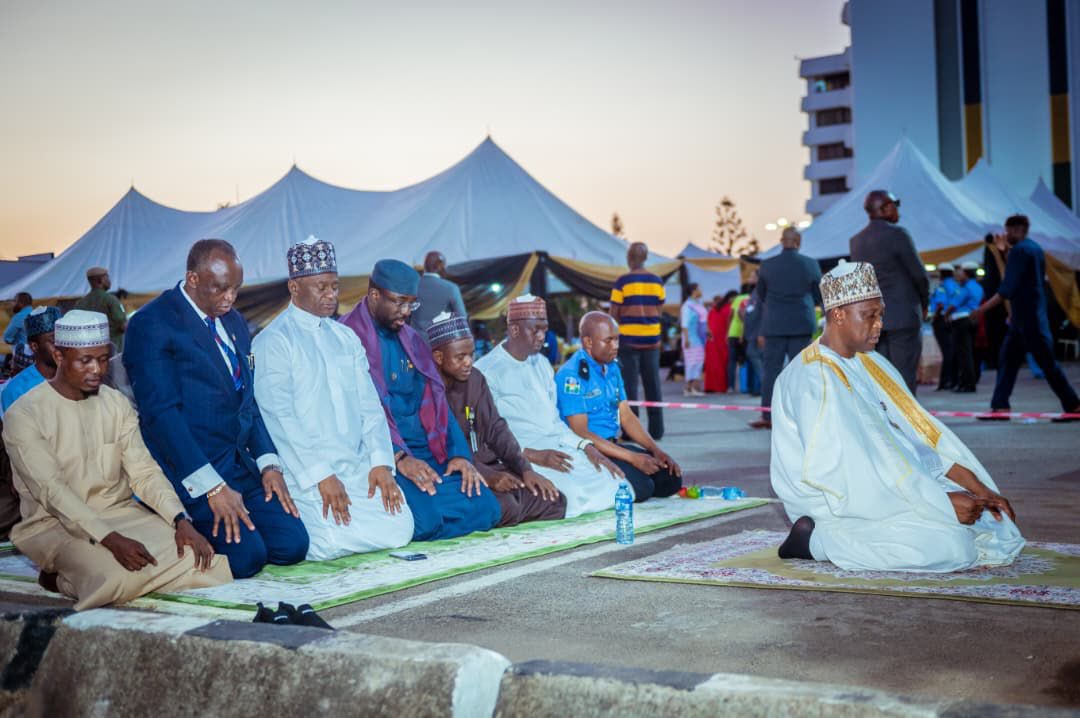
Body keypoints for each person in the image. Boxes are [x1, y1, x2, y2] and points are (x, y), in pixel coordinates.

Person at [770, 261, 1024, 572]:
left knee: (995, 523)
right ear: (838, 314)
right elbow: (846, 471)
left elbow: (915, 438)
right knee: (950, 547)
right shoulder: (813, 378)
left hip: (891, 484)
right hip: (836, 500)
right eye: (869, 316)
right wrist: (940, 503)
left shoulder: (871, 362)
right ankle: (813, 540)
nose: (879, 325)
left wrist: (980, 489)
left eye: (881, 315)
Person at [3, 310, 231, 609]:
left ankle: (93, 574)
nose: (97, 369)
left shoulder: (115, 403)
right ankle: (58, 579)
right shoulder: (24, 414)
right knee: (115, 578)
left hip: (122, 513)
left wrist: (180, 520)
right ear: (59, 356)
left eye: (102, 359)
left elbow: (144, 471)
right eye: (85, 360)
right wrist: (110, 539)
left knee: (206, 560)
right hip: (56, 524)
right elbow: (51, 490)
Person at [123, 239, 309, 578]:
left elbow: (247, 400)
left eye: (236, 289)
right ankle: (172, 522)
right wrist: (211, 487)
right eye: (220, 288)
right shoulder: (152, 323)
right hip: (191, 469)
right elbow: (162, 416)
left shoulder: (233, 321)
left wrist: (268, 463)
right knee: (248, 559)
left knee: (292, 545)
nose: (230, 298)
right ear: (193, 279)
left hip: (238, 466)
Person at [253, 238, 414, 560]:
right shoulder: (273, 340)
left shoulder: (345, 337)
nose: (331, 295)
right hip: (307, 471)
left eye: (335, 286)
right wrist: (321, 475)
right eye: (321, 287)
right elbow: (280, 417)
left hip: (355, 465)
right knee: (326, 543)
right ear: (294, 287)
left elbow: (370, 406)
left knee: (401, 527)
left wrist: (380, 463)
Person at [340, 259, 501, 540]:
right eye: (399, 302)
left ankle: (424, 512)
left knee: (488, 507)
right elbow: (352, 414)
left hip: (427, 453)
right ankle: (420, 515)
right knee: (425, 521)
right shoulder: (346, 338)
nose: (406, 312)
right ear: (375, 295)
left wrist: (459, 455)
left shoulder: (412, 340)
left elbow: (439, 405)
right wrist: (399, 457)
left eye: (411, 304)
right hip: (384, 457)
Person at [476, 295, 623, 517]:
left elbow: (554, 422)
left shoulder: (542, 364)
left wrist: (586, 446)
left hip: (558, 448)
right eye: (535, 330)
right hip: (521, 455)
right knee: (573, 497)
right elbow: (487, 436)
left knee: (616, 484)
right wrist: (533, 456)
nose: (542, 336)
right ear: (514, 330)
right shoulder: (487, 371)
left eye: (544, 330)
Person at [429, 311, 567, 526]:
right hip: (456, 473)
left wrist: (525, 469)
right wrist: (487, 476)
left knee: (553, 500)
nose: (468, 362)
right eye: (460, 357)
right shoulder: (427, 390)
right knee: (506, 506)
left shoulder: (475, 379)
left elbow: (496, 428)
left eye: (471, 355)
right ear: (439, 357)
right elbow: (441, 448)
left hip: (490, 465)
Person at [556, 312, 682, 502]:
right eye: (608, 340)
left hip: (613, 446)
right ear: (588, 342)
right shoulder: (572, 375)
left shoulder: (611, 367)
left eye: (617, 339)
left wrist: (656, 450)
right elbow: (581, 432)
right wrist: (632, 458)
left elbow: (626, 415)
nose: (615, 346)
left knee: (670, 479)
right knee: (642, 487)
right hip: (588, 452)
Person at [972, 215, 1080, 421]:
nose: (1005, 235)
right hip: (1029, 318)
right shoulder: (1034, 248)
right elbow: (1018, 276)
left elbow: (1007, 288)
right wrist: (1004, 253)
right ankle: (1000, 406)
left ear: (1018, 229)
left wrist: (981, 309)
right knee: (1009, 361)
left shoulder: (1020, 251)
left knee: (1046, 365)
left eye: (1008, 231)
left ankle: (1073, 405)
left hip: (1027, 321)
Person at [849, 190, 930, 393]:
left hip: (873, 319)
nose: (898, 210)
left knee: (882, 380)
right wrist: (924, 304)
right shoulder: (897, 234)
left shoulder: (856, 241)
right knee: (904, 377)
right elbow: (919, 275)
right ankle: (905, 414)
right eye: (895, 205)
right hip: (903, 316)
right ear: (884, 208)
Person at [751, 228, 821, 430]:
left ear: (782, 241)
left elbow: (761, 294)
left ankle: (768, 414)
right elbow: (818, 295)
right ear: (798, 241)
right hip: (801, 322)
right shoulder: (810, 264)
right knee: (801, 370)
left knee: (771, 371)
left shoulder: (767, 265)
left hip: (774, 324)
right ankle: (802, 414)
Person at [609, 241, 666, 440]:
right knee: (653, 385)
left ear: (628, 258)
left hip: (628, 341)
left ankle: (631, 432)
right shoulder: (657, 281)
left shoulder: (622, 282)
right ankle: (657, 430)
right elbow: (659, 310)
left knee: (629, 388)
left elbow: (614, 313)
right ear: (646, 258)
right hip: (652, 341)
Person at [2, 307, 61, 414]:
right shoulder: (17, 390)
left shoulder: (74, 379)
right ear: (34, 346)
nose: (61, 346)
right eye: (53, 341)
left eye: (62, 339)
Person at [409, 251, 467, 342]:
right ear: (439, 266)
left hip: (415, 342)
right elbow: (462, 317)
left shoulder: (412, 286)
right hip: (442, 344)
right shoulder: (451, 288)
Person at [947, 262, 983, 393]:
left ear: (966, 273)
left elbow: (954, 304)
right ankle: (969, 382)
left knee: (963, 354)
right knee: (969, 352)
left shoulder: (965, 287)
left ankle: (967, 384)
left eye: (961, 272)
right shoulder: (978, 286)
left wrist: (946, 314)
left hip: (961, 320)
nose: (959, 274)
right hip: (972, 320)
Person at [74, 267, 128, 351]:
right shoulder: (111, 299)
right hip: (112, 350)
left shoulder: (80, 303)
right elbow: (124, 326)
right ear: (100, 280)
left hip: (91, 351)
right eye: (107, 277)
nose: (109, 281)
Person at [929, 263, 959, 391]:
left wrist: (934, 317)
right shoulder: (956, 286)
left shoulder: (942, 287)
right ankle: (953, 380)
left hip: (941, 319)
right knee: (952, 350)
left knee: (947, 352)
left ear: (941, 273)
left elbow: (940, 304)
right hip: (953, 319)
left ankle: (945, 381)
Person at [679, 283, 708, 396]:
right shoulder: (687, 306)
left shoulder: (698, 304)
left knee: (699, 362)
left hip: (699, 337)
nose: (701, 291)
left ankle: (693, 387)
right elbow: (684, 324)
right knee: (692, 362)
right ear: (693, 291)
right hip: (690, 338)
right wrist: (686, 339)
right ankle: (689, 388)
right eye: (699, 289)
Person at [703, 294, 731, 393]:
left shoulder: (712, 310)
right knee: (722, 363)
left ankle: (710, 386)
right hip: (722, 339)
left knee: (712, 363)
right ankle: (720, 387)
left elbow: (708, 325)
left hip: (712, 340)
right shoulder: (727, 309)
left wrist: (709, 334)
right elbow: (728, 323)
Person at [741, 282, 765, 398]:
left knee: (754, 355)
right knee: (756, 358)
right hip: (751, 334)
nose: (749, 278)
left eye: (752, 276)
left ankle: (765, 385)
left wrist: (761, 333)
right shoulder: (753, 295)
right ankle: (760, 386)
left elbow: (764, 314)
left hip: (757, 335)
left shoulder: (760, 294)